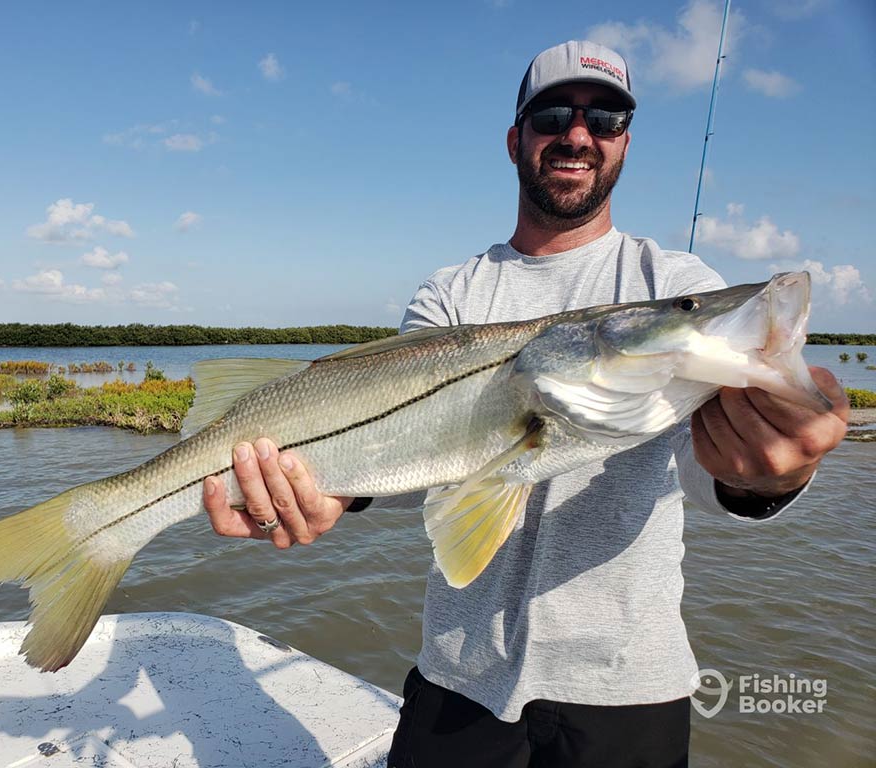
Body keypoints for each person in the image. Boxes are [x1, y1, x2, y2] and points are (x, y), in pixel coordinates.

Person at [202, 40, 848, 767]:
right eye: (553, 115)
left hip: (629, 692)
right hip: (459, 681)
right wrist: (330, 492)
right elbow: (394, 428)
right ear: (517, 139)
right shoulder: (453, 293)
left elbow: (709, 473)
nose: (578, 134)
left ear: (625, 144)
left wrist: (770, 474)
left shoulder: (670, 276)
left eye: (605, 118)